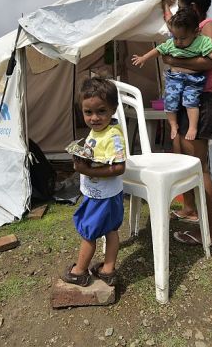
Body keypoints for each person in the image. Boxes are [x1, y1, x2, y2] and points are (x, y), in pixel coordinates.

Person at [161, 0, 212, 247]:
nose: (177, 12)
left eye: (180, 6)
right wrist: (163, 8)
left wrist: (171, 57)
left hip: (201, 103)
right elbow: (170, 24)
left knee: (199, 168)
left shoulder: (207, 26)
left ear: (191, 4)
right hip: (184, 104)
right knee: (181, 159)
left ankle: (209, 233)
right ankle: (190, 211)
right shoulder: (185, 27)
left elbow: (209, 62)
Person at [131, 8, 212, 140]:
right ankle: (173, 125)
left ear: (196, 32)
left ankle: (193, 127)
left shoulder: (201, 42)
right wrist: (144, 57)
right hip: (174, 79)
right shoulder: (171, 43)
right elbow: (158, 50)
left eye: (183, 38)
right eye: (175, 37)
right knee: (169, 101)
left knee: (191, 102)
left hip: (193, 80)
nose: (178, 41)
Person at [62, 78, 126, 287]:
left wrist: (85, 169)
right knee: (110, 230)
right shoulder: (97, 132)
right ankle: (108, 269)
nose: (94, 118)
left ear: (113, 109)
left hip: (102, 196)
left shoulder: (113, 136)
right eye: (88, 112)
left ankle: (79, 271)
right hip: (103, 193)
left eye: (101, 111)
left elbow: (119, 167)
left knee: (88, 233)